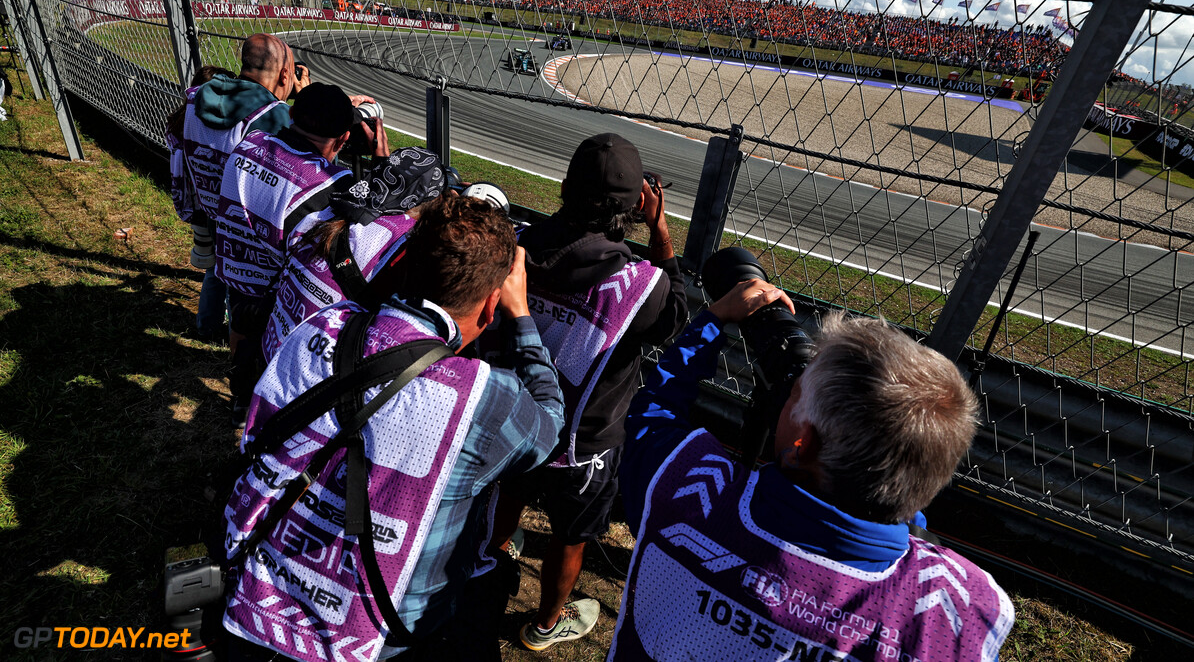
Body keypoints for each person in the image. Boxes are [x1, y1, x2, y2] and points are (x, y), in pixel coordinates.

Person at [221, 195, 566, 662]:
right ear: (490, 309)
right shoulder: (484, 396)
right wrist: (521, 314)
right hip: (387, 630)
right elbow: (548, 427)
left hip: (260, 590)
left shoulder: (321, 324)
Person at [610, 280, 1014, 661]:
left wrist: (713, 320)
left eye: (794, 394)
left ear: (800, 445)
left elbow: (654, 415)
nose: (786, 395)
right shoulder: (963, 610)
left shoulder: (691, 488)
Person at [488, 132, 688, 650]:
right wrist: (660, 231)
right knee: (570, 536)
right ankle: (545, 625)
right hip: (584, 445)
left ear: (563, 186)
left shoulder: (518, 246)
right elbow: (676, 319)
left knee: (508, 490)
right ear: (637, 204)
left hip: (515, 414)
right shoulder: (642, 284)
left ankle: (495, 551)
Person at [213, 82, 383, 428]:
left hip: (237, 271)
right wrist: (381, 163)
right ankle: (266, 416)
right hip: (279, 297)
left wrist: (323, 107)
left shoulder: (250, 142)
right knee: (272, 357)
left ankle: (241, 397)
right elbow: (374, 224)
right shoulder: (331, 185)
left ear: (292, 114)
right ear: (344, 139)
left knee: (241, 332)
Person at [179, 33, 308, 401]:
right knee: (250, 299)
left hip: (209, 205)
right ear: (284, 76)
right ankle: (252, 369)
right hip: (250, 222)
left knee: (219, 271)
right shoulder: (271, 114)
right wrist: (301, 100)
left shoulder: (198, 97)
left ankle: (212, 331)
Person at [261, 146, 445, 362]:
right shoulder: (402, 240)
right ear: (427, 200)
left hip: (271, 348)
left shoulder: (324, 212)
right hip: (314, 369)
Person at [166, 65, 235, 342]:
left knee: (213, 269)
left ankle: (206, 326)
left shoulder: (182, 119)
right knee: (229, 271)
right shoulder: (217, 127)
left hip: (196, 205)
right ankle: (232, 332)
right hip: (221, 207)